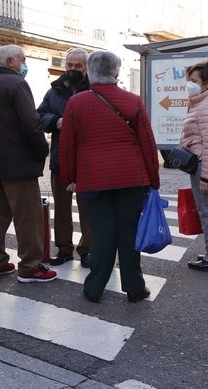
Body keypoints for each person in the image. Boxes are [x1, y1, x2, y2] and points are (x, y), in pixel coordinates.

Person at [59, 51, 160, 303]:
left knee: (101, 233)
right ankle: (135, 287)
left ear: (90, 72)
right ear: (116, 72)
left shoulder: (77, 102)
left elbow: (67, 144)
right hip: (131, 177)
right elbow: (148, 143)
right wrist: (153, 180)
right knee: (129, 232)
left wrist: (69, 176)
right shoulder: (133, 101)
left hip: (93, 177)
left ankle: (94, 288)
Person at [0, 45, 57, 284]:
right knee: (28, 218)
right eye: (22, 59)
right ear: (11, 61)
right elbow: (32, 123)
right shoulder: (17, 84)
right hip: (19, 164)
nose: (24, 63)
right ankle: (30, 267)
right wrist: (43, 149)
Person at [37, 48, 92, 268]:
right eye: (69, 65)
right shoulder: (54, 91)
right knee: (61, 206)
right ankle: (64, 249)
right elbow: (39, 115)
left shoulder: (94, 89)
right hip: (61, 156)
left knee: (88, 205)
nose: (72, 70)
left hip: (88, 158)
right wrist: (55, 121)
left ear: (86, 68)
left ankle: (88, 249)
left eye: (78, 66)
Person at [179, 60, 208, 273]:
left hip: (204, 162)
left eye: (194, 80)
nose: (189, 84)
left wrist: (206, 177)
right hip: (204, 160)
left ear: (206, 83)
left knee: (206, 211)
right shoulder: (203, 101)